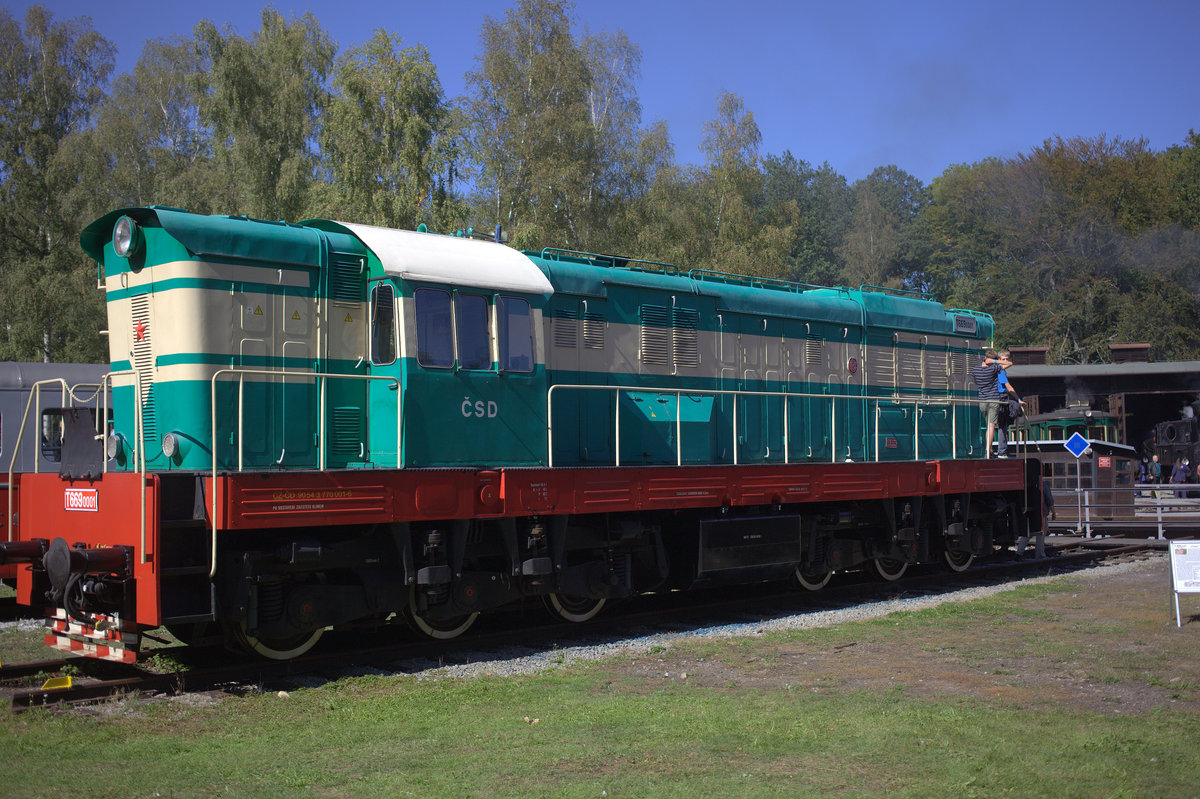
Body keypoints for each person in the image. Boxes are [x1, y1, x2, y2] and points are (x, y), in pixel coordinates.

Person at [971, 348, 1002, 458]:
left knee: (988, 426)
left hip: (982, 401)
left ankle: (990, 450)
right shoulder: (993, 369)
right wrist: (994, 362)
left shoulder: (975, 370)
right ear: (991, 360)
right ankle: (987, 452)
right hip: (993, 400)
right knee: (991, 426)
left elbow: (975, 382)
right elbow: (1009, 363)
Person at [994, 350, 1025, 458]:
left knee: (995, 425)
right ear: (998, 360)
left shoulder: (994, 370)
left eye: (1007, 359)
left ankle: (994, 450)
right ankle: (1002, 450)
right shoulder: (1000, 372)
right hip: (1001, 398)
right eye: (1003, 359)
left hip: (994, 397)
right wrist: (1018, 400)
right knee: (1003, 425)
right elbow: (1009, 387)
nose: (1006, 361)